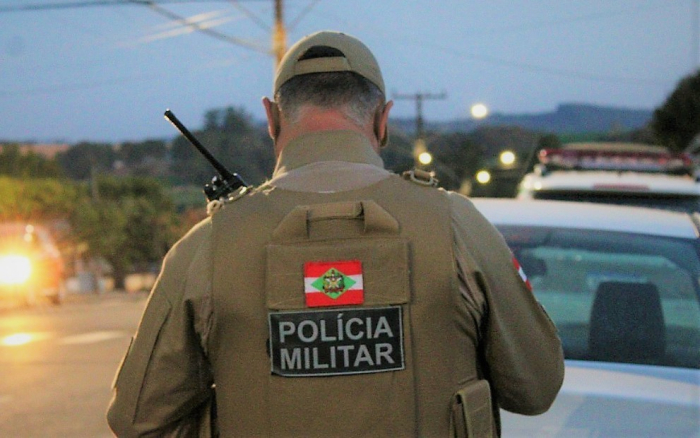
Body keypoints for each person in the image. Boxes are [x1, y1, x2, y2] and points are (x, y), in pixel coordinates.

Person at [107, 30, 564, 438]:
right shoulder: (457, 225)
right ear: (383, 121)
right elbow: (536, 388)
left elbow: (137, 420)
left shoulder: (207, 245)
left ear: (272, 119)